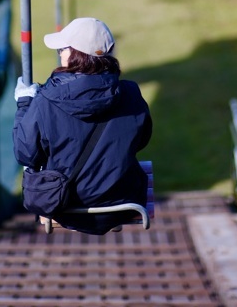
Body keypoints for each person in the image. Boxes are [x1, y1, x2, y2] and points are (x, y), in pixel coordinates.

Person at [13, 17, 152, 234]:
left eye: (62, 49)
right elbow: (141, 140)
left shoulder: (46, 101)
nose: (60, 53)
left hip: (64, 203)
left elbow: (25, 154)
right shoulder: (131, 94)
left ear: (76, 55)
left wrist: (24, 104)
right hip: (121, 203)